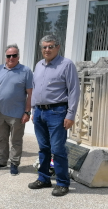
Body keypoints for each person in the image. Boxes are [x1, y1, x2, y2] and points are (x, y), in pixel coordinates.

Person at [28, 34, 80, 197]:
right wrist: (33, 110)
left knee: (57, 149)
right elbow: (35, 88)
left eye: (51, 46)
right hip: (39, 112)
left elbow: (74, 91)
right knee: (43, 148)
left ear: (58, 47)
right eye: (44, 47)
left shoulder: (66, 65)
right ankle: (43, 178)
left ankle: (63, 183)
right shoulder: (39, 65)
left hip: (57, 112)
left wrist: (70, 114)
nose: (47, 49)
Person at [0, 44, 33, 176]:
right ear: (5, 57)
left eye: (14, 55)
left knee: (16, 140)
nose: (11, 58)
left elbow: (30, 94)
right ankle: (2, 161)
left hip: (17, 114)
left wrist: (27, 112)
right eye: (9, 55)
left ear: (18, 56)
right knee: (1, 138)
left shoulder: (26, 71)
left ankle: (14, 163)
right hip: (0, 112)